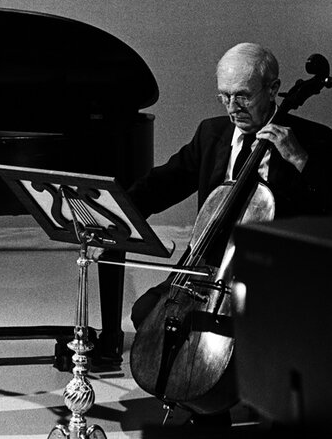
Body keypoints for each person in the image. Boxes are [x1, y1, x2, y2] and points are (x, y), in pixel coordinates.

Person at [127, 42, 332, 425]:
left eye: (243, 96)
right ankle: (206, 406)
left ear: (273, 89)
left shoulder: (314, 141)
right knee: (146, 312)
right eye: (224, 96)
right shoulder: (211, 134)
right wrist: (113, 212)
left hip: (274, 278)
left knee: (244, 338)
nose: (232, 107)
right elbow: (163, 184)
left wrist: (300, 160)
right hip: (206, 273)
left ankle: (240, 397)